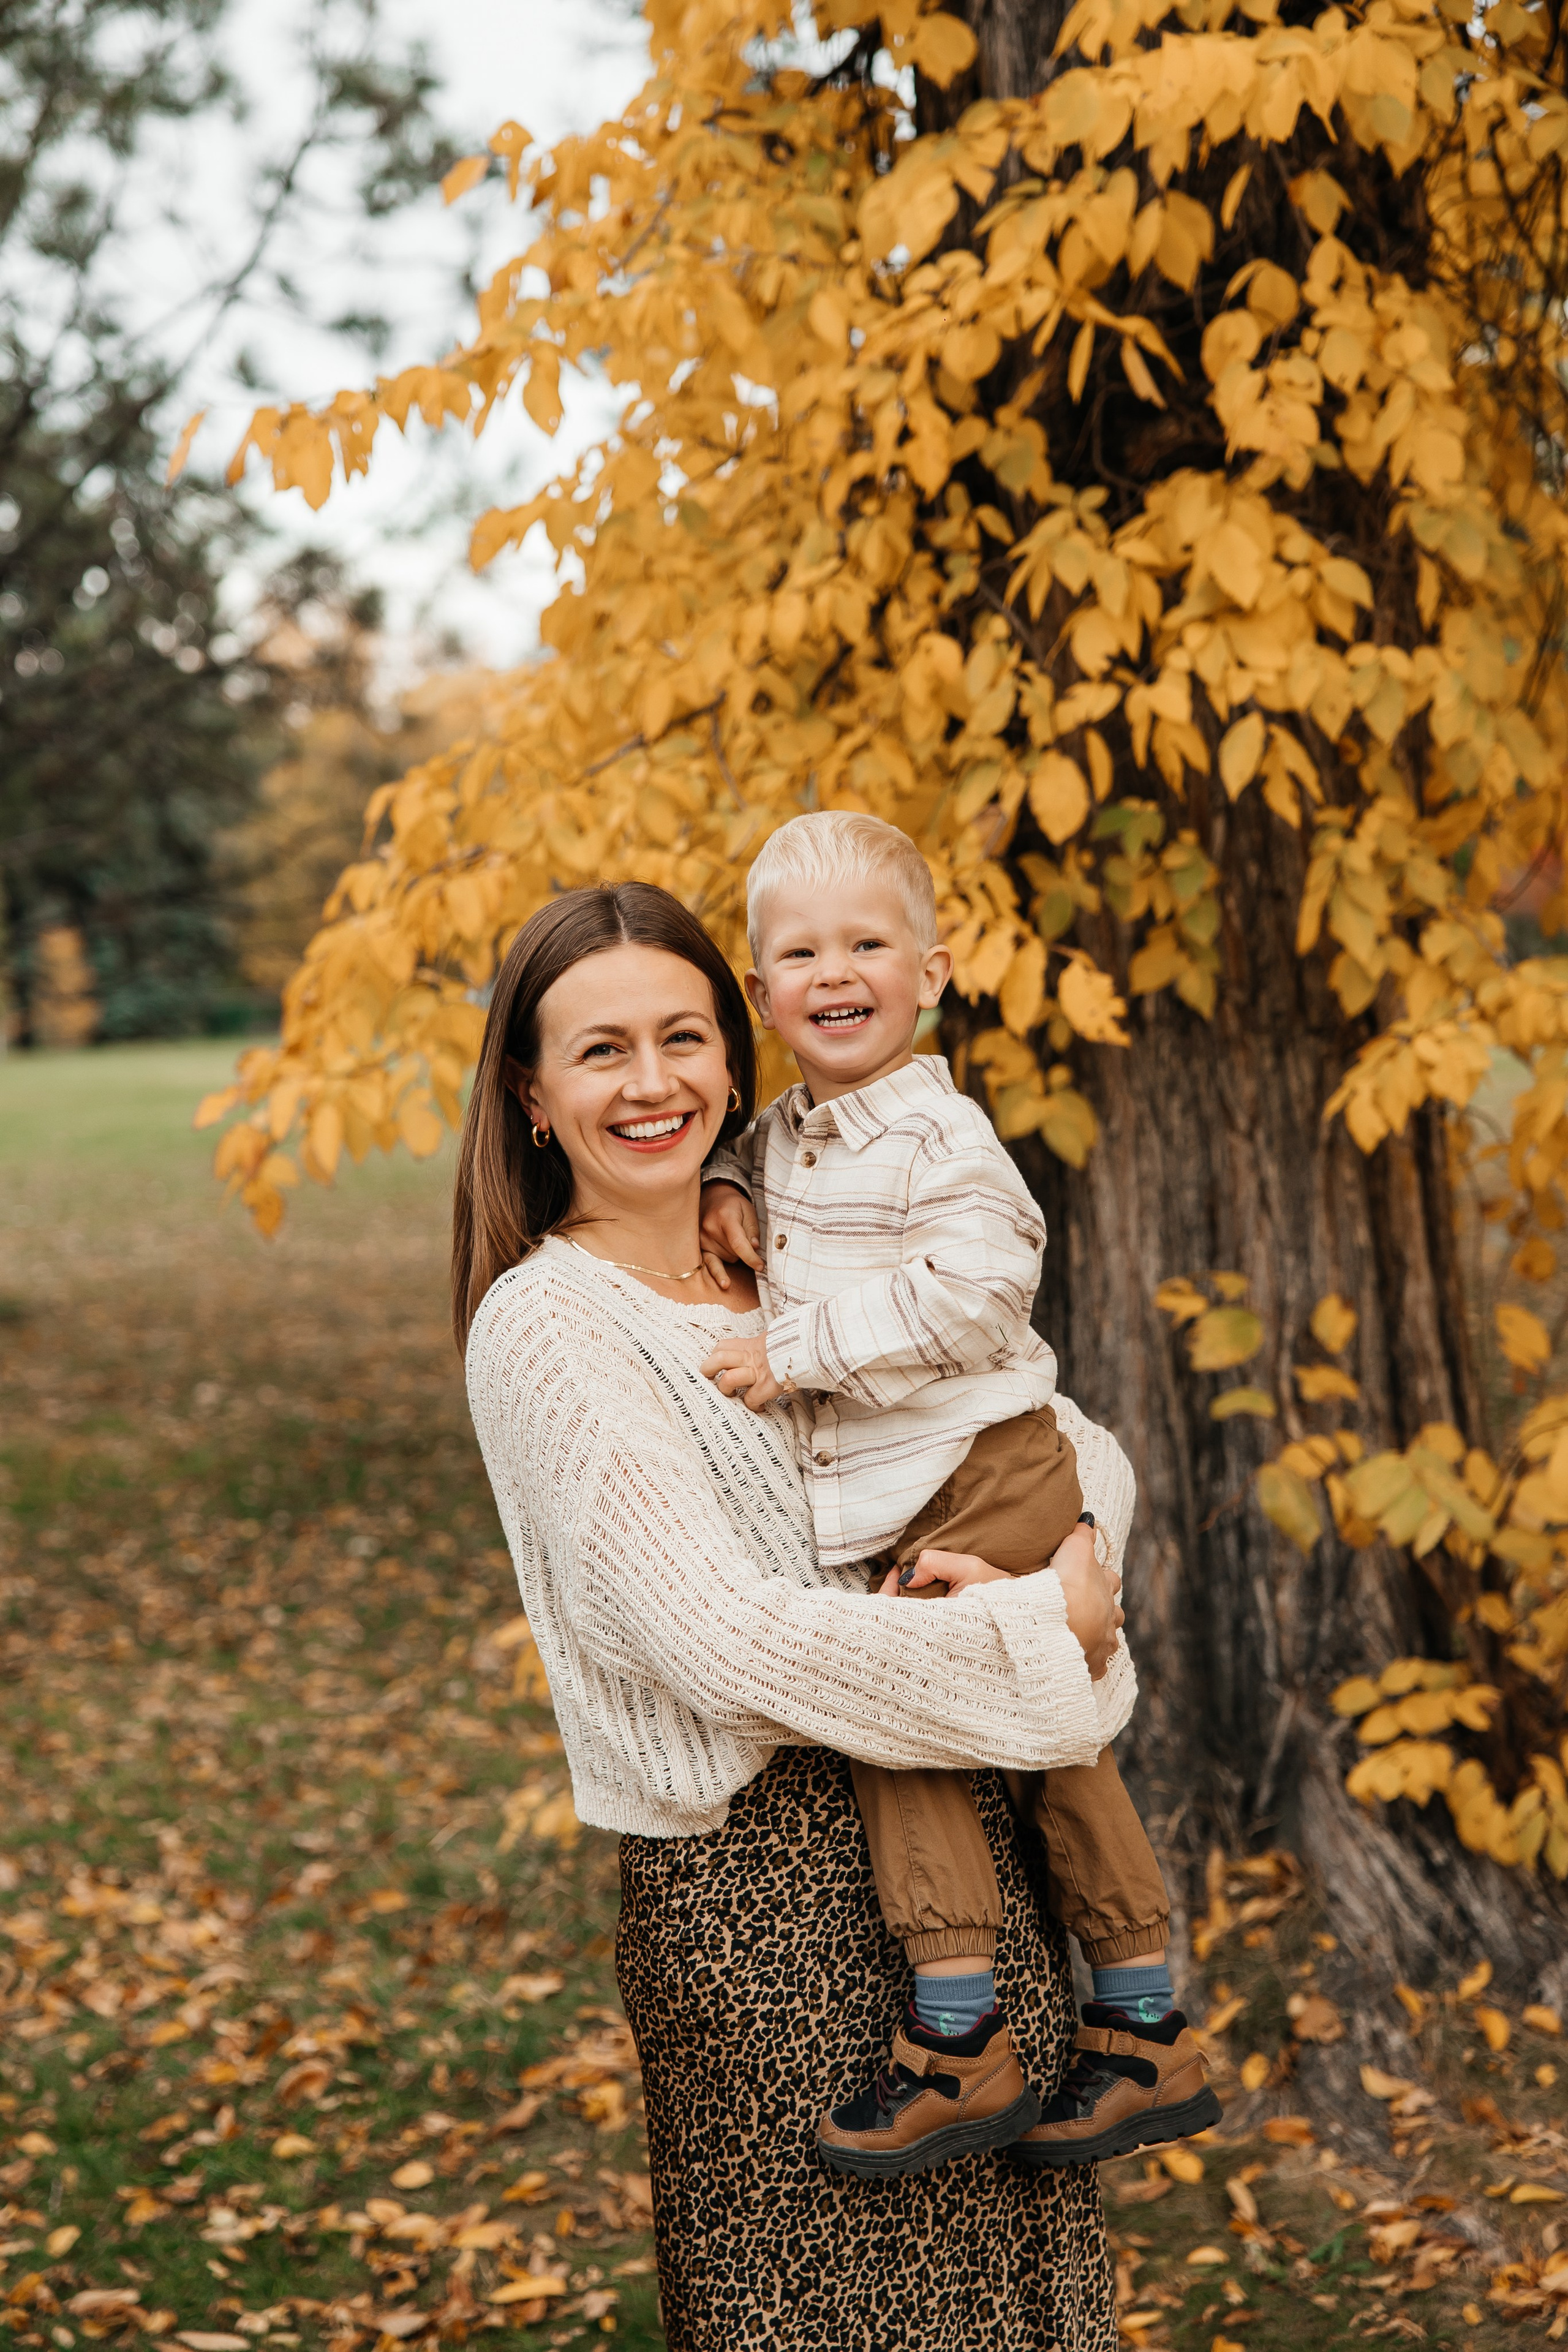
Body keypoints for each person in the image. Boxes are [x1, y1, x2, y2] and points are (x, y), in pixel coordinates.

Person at [455, 879, 1134, 2351]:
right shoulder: (549, 1327)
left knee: (1030, 2307)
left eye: (683, 1037)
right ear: (530, 1089)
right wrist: (1034, 1631)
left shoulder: (809, 1241)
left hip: (965, 1845)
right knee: (841, 2316)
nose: (652, 1084)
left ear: (735, 1046)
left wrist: (1067, 1560)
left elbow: (1054, 1429)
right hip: (770, 1914)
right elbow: (726, 1647)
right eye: (600, 1050)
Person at [696, 811, 1219, 2172]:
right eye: (799, 952)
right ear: (761, 996)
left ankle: (1062, 2030)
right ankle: (1048, 2031)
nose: (833, 971)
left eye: (865, 943)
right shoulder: (785, 1133)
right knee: (964, 1730)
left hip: (980, 1470)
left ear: (930, 973)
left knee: (999, 1734)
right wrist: (714, 1185)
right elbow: (752, 1173)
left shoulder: (941, 1134)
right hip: (911, 1498)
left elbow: (982, 1295)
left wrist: (793, 1351)